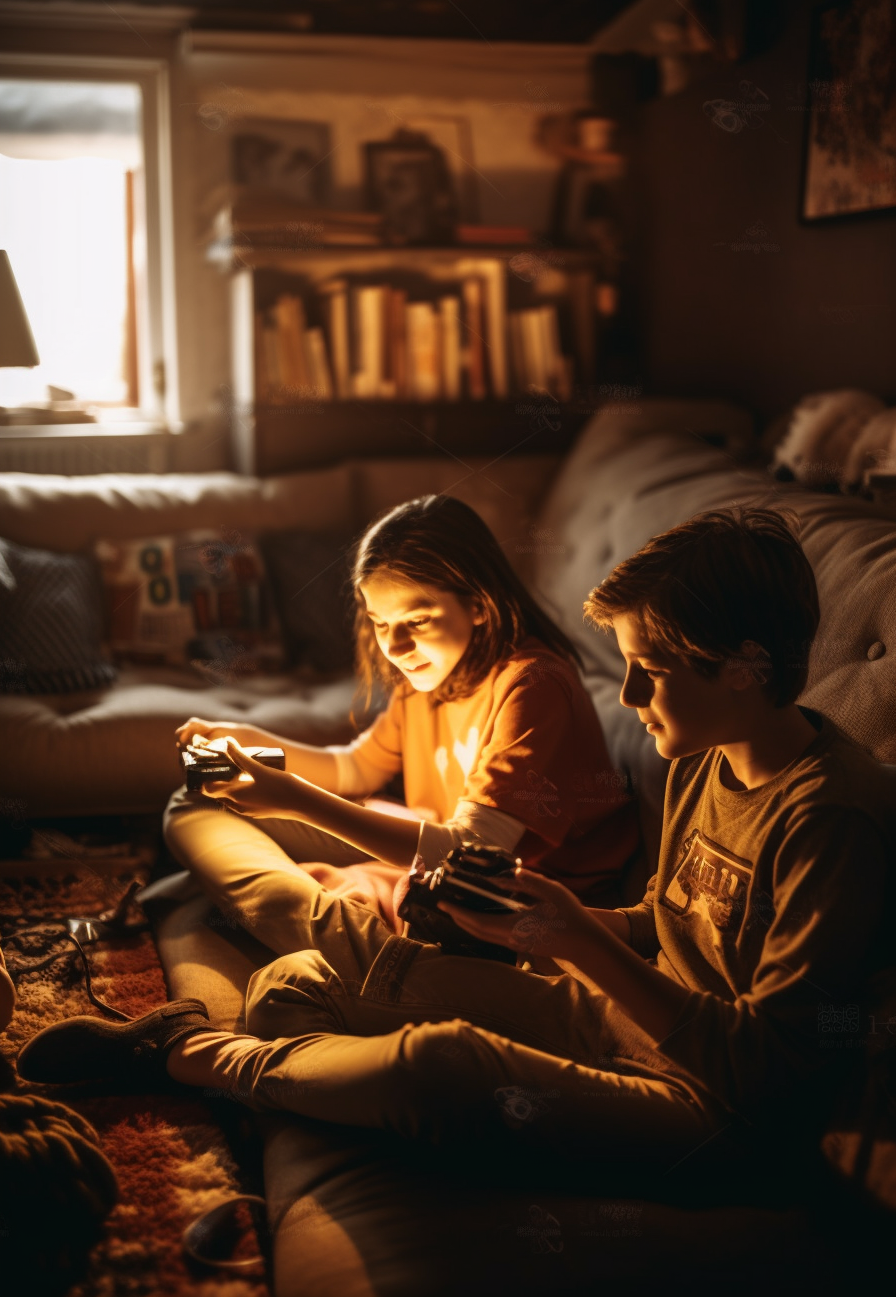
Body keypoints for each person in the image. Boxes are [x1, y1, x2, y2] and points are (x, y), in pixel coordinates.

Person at [19, 507, 893, 1180]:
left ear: (743, 665)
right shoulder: (708, 755)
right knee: (297, 980)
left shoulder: (832, 817)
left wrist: (575, 939)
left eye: (650, 670)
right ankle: (273, 1061)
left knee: (442, 1064)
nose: (626, 694)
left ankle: (191, 1055)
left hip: (720, 1111)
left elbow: (771, 1074)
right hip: (632, 1014)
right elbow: (665, 920)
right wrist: (568, 921)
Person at [160, 493, 637, 953]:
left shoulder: (534, 685)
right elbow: (354, 769)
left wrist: (294, 799)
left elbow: (471, 851)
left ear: (478, 604)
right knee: (198, 801)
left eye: (419, 619)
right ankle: (314, 915)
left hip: (515, 903)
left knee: (327, 883)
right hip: (434, 863)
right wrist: (249, 741)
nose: (397, 646)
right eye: (380, 623)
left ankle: (356, 942)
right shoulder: (427, 676)